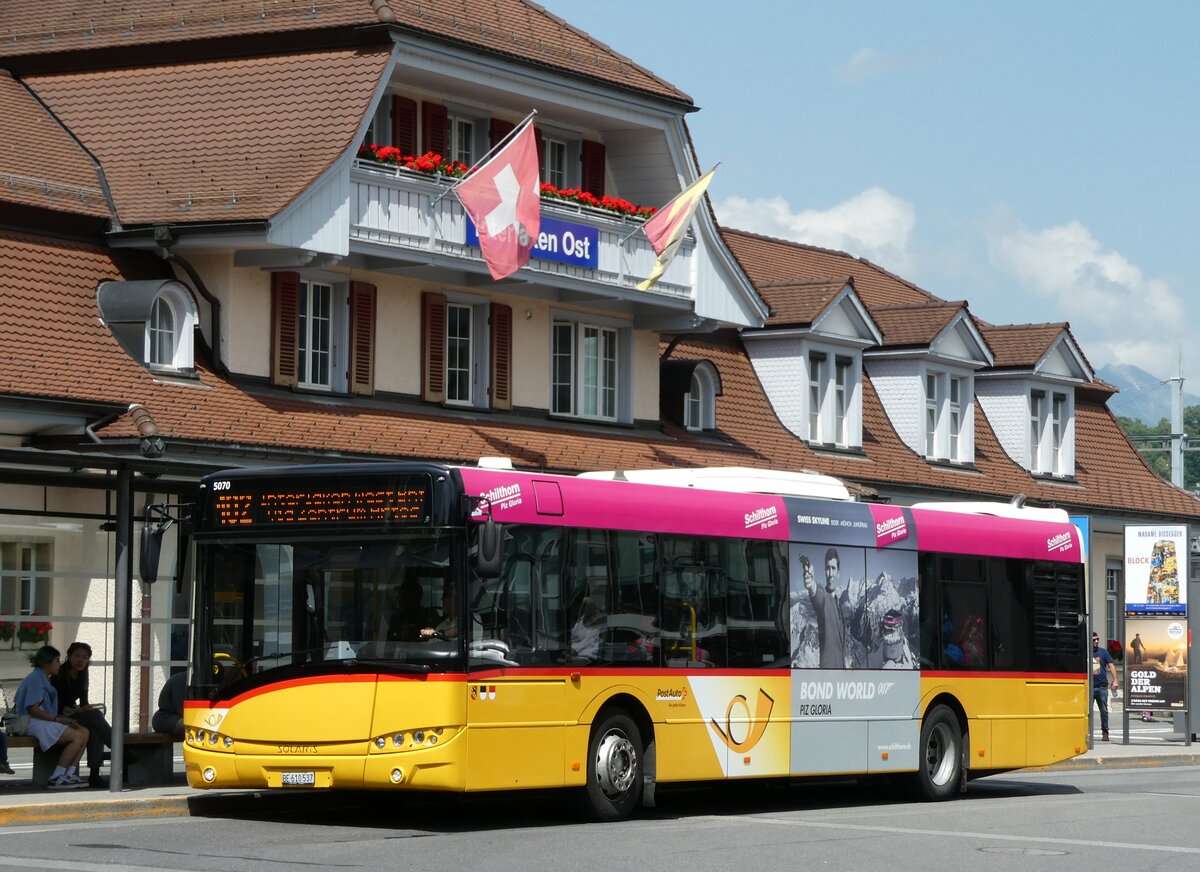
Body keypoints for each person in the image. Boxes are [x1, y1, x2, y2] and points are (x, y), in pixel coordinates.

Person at [13, 645, 89, 788]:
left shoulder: (43, 678)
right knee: (77, 736)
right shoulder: (36, 679)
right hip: (32, 722)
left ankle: (69, 774)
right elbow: (33, 710)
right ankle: (57, 777)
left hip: (40, 720)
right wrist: (57, 719)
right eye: (57, 661)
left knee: (84, 732)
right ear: (46, 663)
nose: (59, 665)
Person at [52, 641, 113, 787]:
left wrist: (85, 708)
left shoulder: (83, 674)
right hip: (58, 716)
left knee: (94, 726)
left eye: (85, 657)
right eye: (77, 656)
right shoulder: (59, 674)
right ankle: (119, 750)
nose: (81, 661)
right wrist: (79, 710)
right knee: (96, 717)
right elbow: (57, 706)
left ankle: (94, 774)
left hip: (73, 713)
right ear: (69, 656)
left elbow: (84, 701)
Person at [802, 551, 846, 668]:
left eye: (833, 568)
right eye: (827, 568)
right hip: (828, 677)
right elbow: (818, 596)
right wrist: (811, 586)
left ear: (838, 573)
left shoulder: (837, 600)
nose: (830, 573)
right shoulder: (824, 596)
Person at [1092, 632, 1118, 741]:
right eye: (1094, 640)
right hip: (1089, 687)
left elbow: (1111, 666)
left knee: (1104, 711)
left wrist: (1115, 680)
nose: (1096, 641)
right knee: (1087, 712)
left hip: (1102, 686)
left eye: (1097, 639)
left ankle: (1105, 731)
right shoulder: (1085, 652)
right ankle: (1086, 732)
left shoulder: (1103, 652)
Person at [153, 671, 187, 737]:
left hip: (179, 716)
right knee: (190, 726)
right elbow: (182, 710)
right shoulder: (181, 679)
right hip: (165, 717)